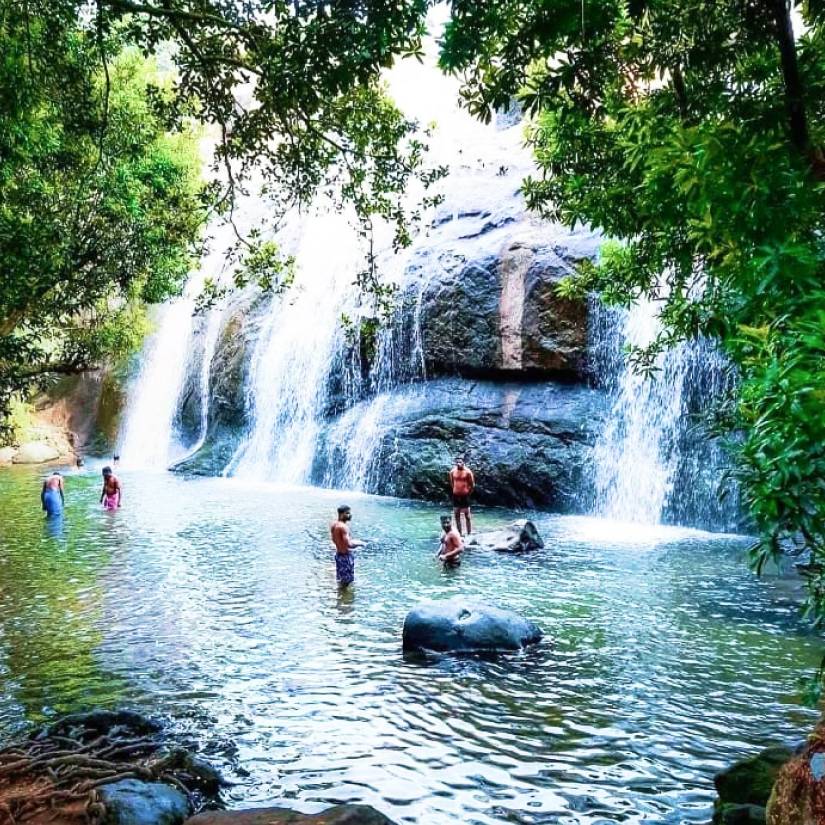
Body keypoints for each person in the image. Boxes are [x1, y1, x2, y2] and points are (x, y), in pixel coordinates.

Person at [330, 505, 365, 587]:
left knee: (341, 580)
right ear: (342, 514)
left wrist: (341, 545)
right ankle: (346, 598)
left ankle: (340, 597)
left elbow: (334, 540)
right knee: (347, 583)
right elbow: (349, 544)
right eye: (348, 513)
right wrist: (360, 543)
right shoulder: (343, 527)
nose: (350, 515)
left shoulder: (334, 525)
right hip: (345, 557)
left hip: (338, 555)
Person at [449, 456, 475, 536]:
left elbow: (472, 485)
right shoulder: (452, 472)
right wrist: (455, 489)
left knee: (467, 515)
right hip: (456, 496)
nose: (458, 464)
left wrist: (468, 493)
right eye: (457, 462)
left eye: (460, 462)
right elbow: (452, 482)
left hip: (465, 496)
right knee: (456, 514)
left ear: (463, 463)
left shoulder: (468, 472)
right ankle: (459, 534)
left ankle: (469, 533)